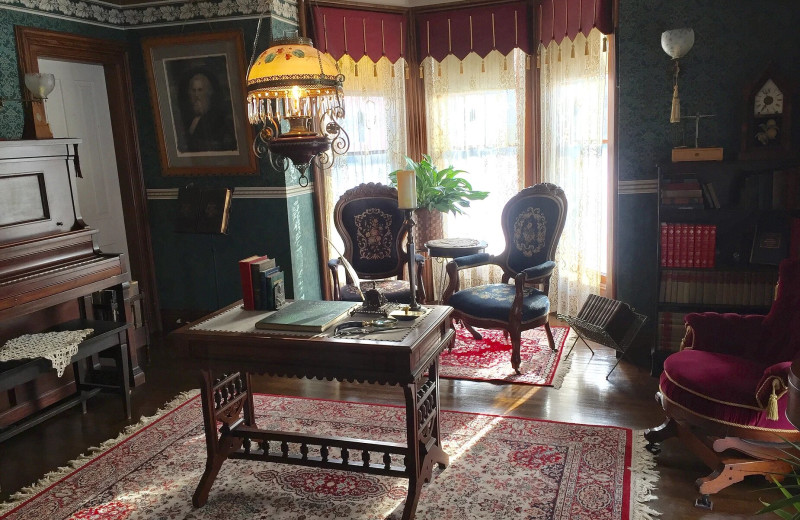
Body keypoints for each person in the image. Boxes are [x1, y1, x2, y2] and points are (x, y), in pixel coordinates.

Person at [177, 69, 236, 153]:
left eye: (200, 90)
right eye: (194, 91)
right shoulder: (188, 119)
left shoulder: (219, 118)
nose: (196, 95)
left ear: (208, 92)